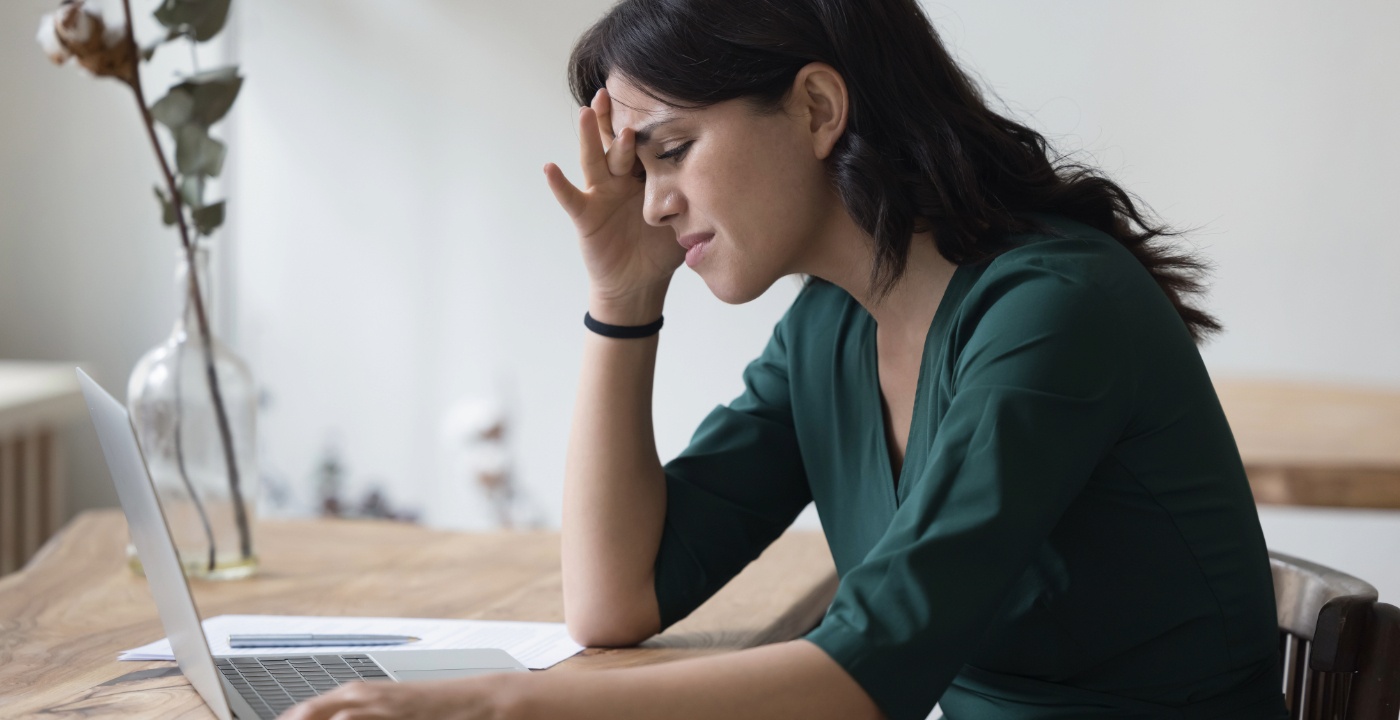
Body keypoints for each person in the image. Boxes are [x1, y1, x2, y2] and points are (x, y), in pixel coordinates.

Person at [284, 0, 1289, 718]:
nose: (651, 201)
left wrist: (494, 707)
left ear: (816, 108)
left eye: (670, 149)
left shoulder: (1053, 311)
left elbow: (867, 674)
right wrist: (621, 298)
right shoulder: (832, 329)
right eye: (639, 166)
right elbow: (613, 599)